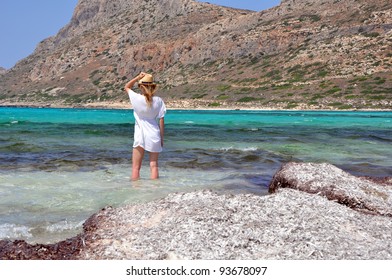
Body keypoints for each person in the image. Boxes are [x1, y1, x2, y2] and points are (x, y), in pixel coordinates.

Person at [124, 72, 166, 180]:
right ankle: (155, 190)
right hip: (154, 134)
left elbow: (127, 87)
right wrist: (162, 139)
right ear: (152, 86)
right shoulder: (159, 101)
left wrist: (137, 77)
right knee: (154, 165)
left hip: (140, 135)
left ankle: (136, 192)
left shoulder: (136, 98)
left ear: (141, 86)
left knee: (136, 167)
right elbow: (161, 120)